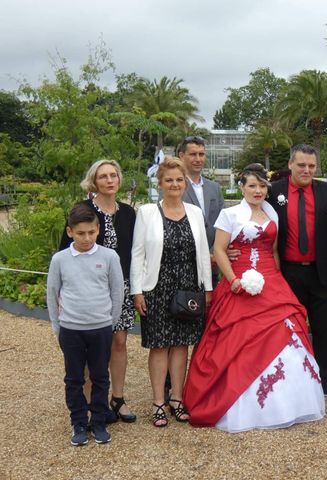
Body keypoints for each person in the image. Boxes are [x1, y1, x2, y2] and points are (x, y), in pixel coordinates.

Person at [183, 164, 325, 431]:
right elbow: (220, 250)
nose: (257, 191)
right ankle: (239, 403)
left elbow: (273, 250)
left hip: (271, 280)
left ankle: (292, 402)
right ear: (242, 187)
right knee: (237, 339)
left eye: (262, 186)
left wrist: (278, 281)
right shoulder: (230, 214)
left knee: (287, 329)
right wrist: (234, 281)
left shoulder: (272, 212)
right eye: (252, 186)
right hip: (239, 282)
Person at [130, 157, 213, 426]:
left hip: (189, 285)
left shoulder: (195, 212)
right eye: (169, 180)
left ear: (185, 183)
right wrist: (137, 291)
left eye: (179, 180)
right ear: (160, 183)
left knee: (180, 344)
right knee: (159, 345)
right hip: (157, 286)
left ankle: (177, 398)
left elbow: (202, 253)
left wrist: (207, 288)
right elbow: (137, 254)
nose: (174, 184)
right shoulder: (147, 212)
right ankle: (158, 401)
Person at [267, 144, 327, 400]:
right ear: (290, 164)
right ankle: (292, 380)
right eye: (301, 165)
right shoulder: (274, 192)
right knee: (290, 329)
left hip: (322, 274)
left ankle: (325, 380)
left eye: (311, 166)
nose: (306, 170)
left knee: (325, 329)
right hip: (288, 274)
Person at [59, 160, 137, 423]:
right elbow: (64, 252)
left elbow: (134, 252)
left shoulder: (127, 212)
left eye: (113, 175)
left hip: (120, 287)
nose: (109, 180)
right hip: (89, 290)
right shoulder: (82, 211)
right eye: (103, 176)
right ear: (94, 182)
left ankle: (118, 398)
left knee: (119, 342)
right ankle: (93, 402)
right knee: (91, 347)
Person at [47, 203, 124, 446]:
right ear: (70, 232)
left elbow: (117, 291)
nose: (86, 238)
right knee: (74, 379)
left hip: (101, 328)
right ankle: (79, 422)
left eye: (91, 232)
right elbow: (52, 293)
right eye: (80, 233)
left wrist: (110, 321)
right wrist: (57, 326)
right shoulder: (60, 259)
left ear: (98, 230)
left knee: (101, 377)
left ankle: (99, 421)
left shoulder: (109, 256)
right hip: (71, 329)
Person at [177, 135, 224, 268]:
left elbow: (224, 224)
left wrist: (214, 253)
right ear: (181, 155)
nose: (198, 159)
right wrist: (202, 256)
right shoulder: (173, 187)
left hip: (213, 263)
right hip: (185, 263)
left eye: (201, 154)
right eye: (193, 154)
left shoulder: (215, 188)